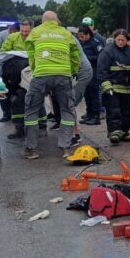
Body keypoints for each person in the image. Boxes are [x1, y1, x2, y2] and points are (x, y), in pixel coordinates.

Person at [22, 11, 81, 160]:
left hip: (41, 75)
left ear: (42, 21)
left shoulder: (35, 32)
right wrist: (72, 71)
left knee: (32, 110)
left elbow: (31, 54)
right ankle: (66, 148)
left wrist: (36, 69)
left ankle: (31, 149)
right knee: (67, 110)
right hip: (63, 75)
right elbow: (75, 56)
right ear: (57, 21)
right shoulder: (66, 33)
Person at [96, 29, 130, 144]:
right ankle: (114, 133)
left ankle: (124, 132)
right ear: (114, 39)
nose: (120, 42)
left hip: (128, 89)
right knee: (114, 111)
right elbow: (101, 71)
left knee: (128, 112)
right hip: (112, 88)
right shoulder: (107, 52)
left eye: (123, 40)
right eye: (118, 39)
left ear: (127, 40)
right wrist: (107, 87)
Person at [76, 24, 103, 125]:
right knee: (86, 94)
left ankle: (96, 116)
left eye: (82, 36)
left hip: (94, 72)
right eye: (79, 36)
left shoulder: (96, 43)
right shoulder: (81, 43)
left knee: (94, 94)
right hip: (84, 73)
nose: (80, 38)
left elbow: (100, 57)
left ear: (88, 34)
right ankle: (89, 113)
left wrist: (86, 58)